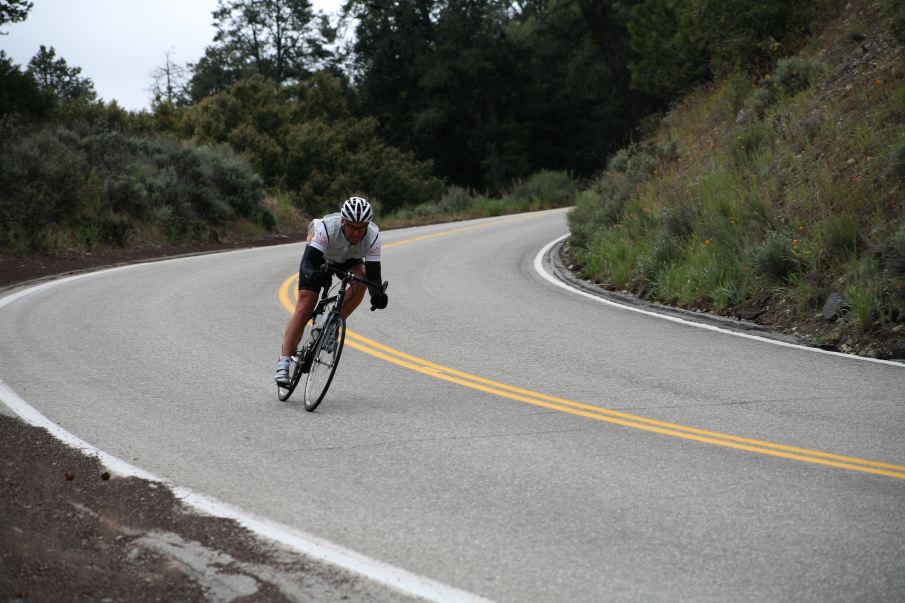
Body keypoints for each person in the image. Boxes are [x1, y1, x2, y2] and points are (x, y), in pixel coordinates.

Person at [275, 196, 389, 385]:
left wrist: (377, 295)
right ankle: (284, 361)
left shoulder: (373, 236)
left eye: (361, 228)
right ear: (343, 221)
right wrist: (313, 275)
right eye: (352, 227)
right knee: (306, 303)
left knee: (361, 281)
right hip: (320, 257)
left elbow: (374, 276)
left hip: (348, 261)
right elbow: (310, 262)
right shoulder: (327, 227)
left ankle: (333, 324)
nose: (356, 233)